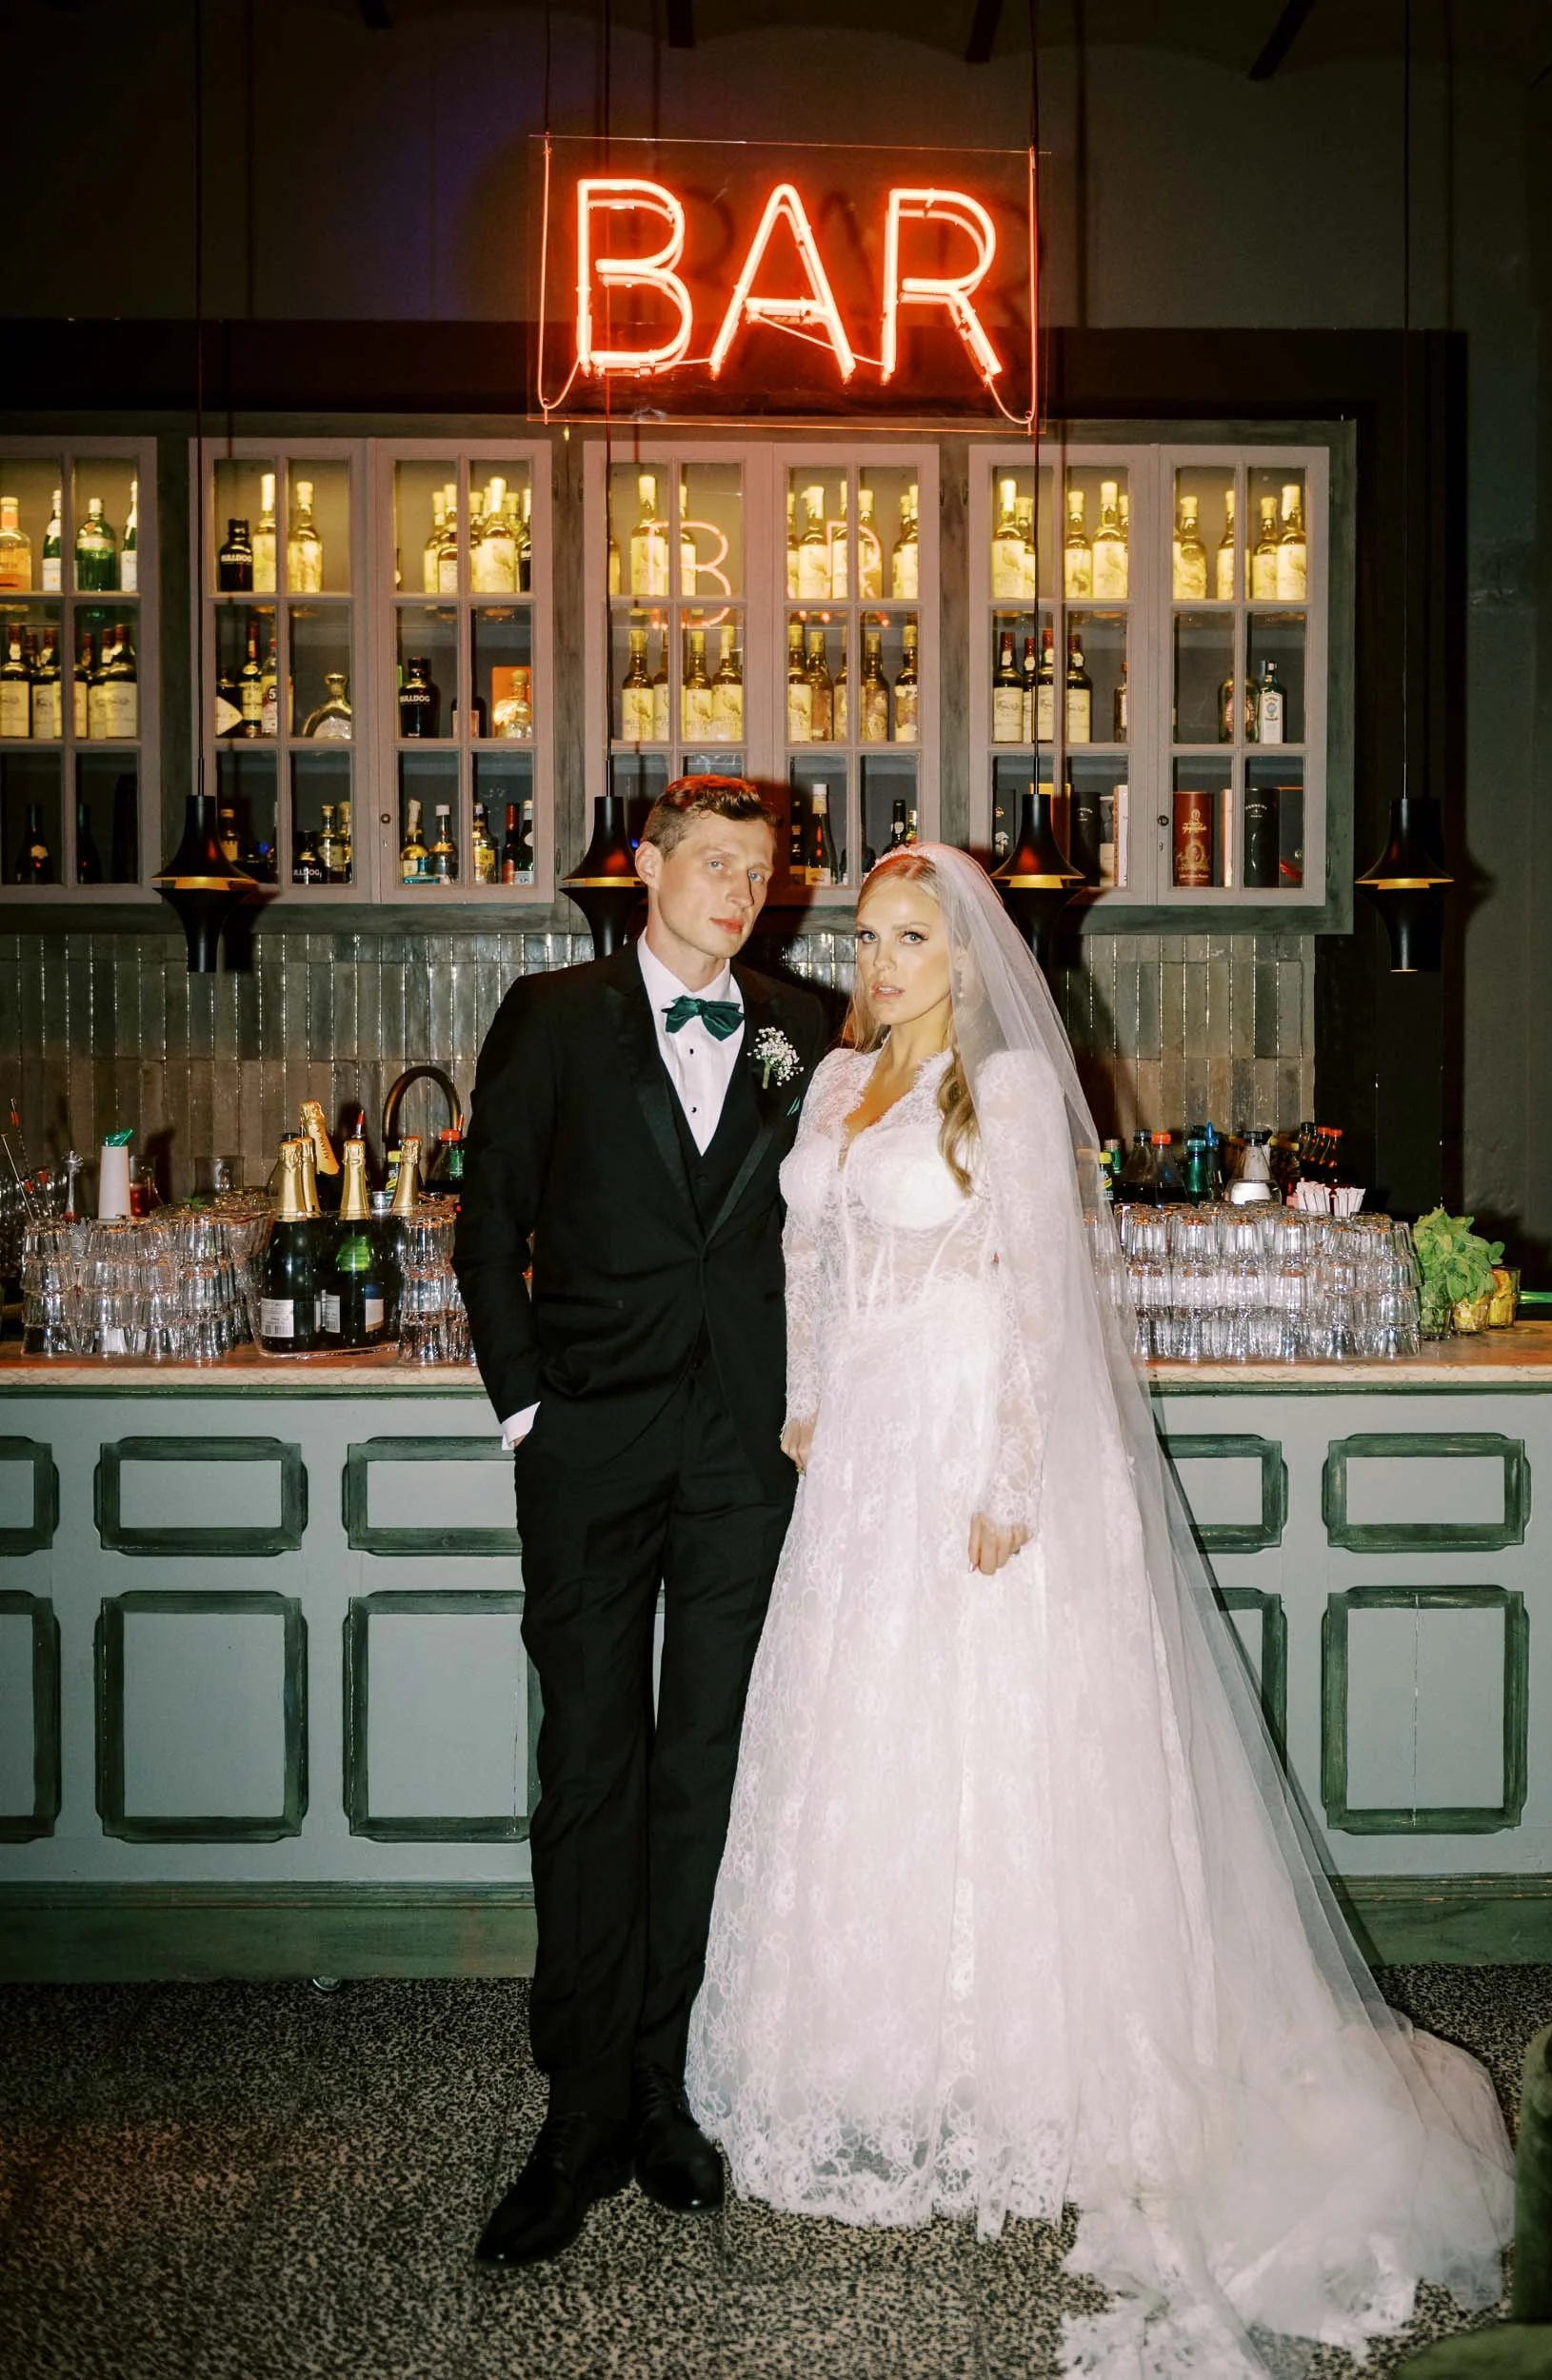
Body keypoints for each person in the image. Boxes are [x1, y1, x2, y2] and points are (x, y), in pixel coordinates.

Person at [686, 844, 1514, 2376]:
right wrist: (804, 1406)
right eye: (868, 938)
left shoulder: (994, 1096)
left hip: (962, 1444)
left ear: (967, 954)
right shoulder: (833, 1086)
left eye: (911, 939)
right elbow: (804, 1255)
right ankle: (873, 2059)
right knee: (856, 1740)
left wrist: (1011, 1476)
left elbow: (1033, 1300)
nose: (880, 962)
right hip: (857, 1453)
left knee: (985, 1733)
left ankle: (1020, 2069)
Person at [454, 778, 827, 2266]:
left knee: (706, 1776)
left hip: (745, 1450)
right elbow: (487, 1227)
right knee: (589, 1772)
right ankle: (578, 2107)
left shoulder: (809, 1023)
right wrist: (530, 1410)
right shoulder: (552, 1015)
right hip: (591, 1447)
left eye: (762, 871)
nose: (742, 890)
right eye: (717, 864)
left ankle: (667, 2090)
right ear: (650, 868)